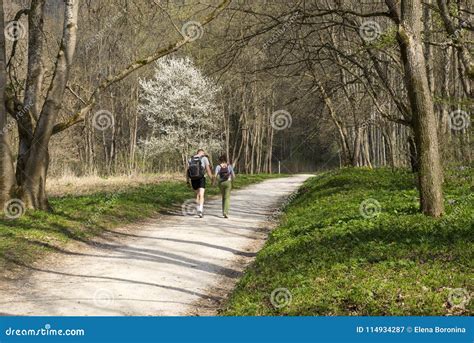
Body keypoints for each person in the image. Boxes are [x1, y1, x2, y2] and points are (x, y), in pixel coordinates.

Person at [186, 149, 213, 218]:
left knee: (197, 195)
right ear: (202, 153)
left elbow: (187, 171)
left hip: (193, 179)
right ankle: (200, 210)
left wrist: (187, 181)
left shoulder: (190, 159)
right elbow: (208, 169)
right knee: (201, 195)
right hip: (201, 178)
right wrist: (212, 178)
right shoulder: (204, 158)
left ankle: (198, 209)